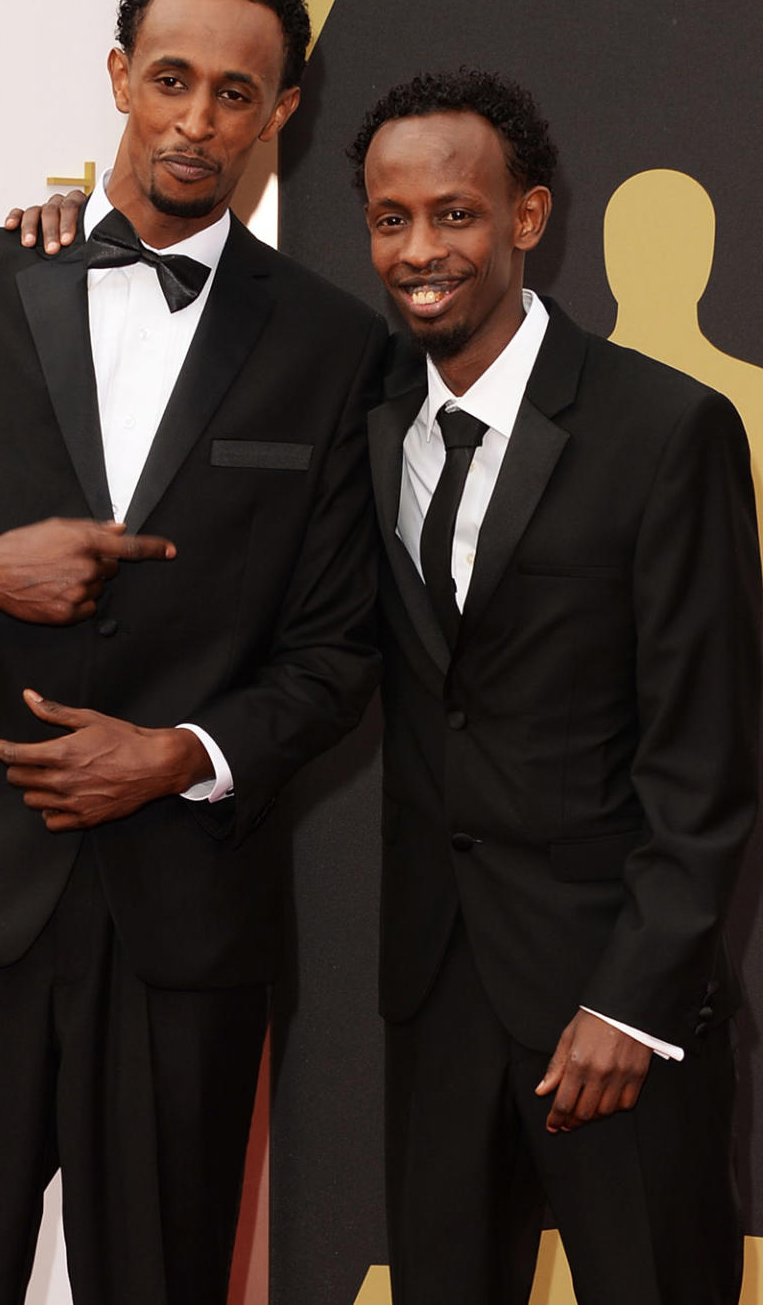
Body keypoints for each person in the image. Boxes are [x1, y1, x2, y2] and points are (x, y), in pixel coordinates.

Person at [0, 0, 387, 1305]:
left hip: (186, 934)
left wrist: (178, 752)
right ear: (119, 75)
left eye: (238, 93)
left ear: (283, 109)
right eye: (171, 79)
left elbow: (339, 653)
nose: (197, 120)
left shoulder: (331, 344)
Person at [351, 70, 760, 1304]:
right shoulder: (358, 409)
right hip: (436, 996)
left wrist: (633, 1003)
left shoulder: (665, 427)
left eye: (455, 214)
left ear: (527, 217)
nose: (421, 250)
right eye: (390, 219)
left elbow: (707, 755)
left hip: (612, 1003)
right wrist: (59, 237)